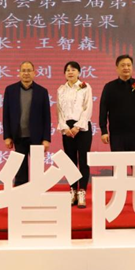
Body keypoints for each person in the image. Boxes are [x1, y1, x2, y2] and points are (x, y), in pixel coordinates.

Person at [2, 61, 51, 186]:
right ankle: (20, 193)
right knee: (20, 170)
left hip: (37, 137)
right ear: (19, 73)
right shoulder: (10, 90)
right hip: (18, 136)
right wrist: (7, 136)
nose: (26, 73)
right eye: (23, 70)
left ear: (34, 73)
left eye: (29, 70)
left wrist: (46, 139)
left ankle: (37, 193)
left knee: (37, 170)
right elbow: (6, 115)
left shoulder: (42, 91)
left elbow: (47, 117)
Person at [57, 61, 93, 208]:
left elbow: (87, 108)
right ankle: (72, 190)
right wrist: (65, 128)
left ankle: (82, 191)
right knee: (70, 161)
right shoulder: (61, 89)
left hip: (82, 128)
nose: (70, 72)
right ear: (64, 73)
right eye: (67, 70)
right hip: (67, 129)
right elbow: (59, 111)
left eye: (73, 70)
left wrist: (78, 126)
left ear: (79, 72)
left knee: (83, 160)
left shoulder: (85, 87)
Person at [99, 54, 135, 151]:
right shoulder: (109, 87)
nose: (126, 68)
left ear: (132, 67)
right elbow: (103, 110)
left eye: (129, 65)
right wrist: (104, 131)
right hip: (116, 134)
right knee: (118, 160)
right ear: (117, 68)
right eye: (123, 65)